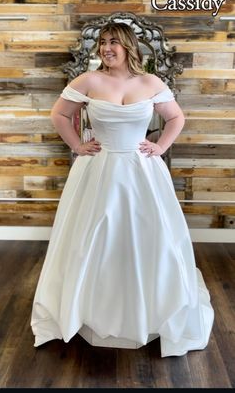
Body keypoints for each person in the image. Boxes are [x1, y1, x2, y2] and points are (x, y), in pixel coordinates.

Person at [31, 22, 214, 357]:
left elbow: (176, 118)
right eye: (102, 43)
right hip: (98, 168)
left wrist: (159, 147)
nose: (106, 48)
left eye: (113, 42)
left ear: (129, 46)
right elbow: (59, 114)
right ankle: (86, 308)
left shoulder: (150, 82)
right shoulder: (88, 80)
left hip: (141, 169)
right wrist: (76, 145)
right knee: (94, 237)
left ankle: (150, 309)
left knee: (148, 238)